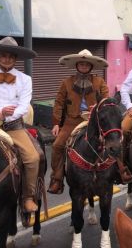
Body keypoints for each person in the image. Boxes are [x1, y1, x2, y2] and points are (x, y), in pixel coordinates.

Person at [0, 37, 40, 212]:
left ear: (16, 58)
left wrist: (6, 115)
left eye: (11, 56)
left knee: (33, 158)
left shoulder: (25, 79)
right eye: (3, 55)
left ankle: (28, 196)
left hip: (14, 127)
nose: (7, 59)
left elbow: (23, 106)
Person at [47, 49, 110, 194]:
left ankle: (120, 170)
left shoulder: (99, 82)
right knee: (57, 145)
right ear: (76, 65)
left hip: (94, 120)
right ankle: (56, 179)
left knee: (112, 140)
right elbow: (58, 103)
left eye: (86, 64)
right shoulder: (66, 82)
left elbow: (107, 100)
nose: (83, 66)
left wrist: (98, 107)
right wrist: (56, 123)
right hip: (71, 121)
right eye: (81, 64)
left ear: (91, 66)